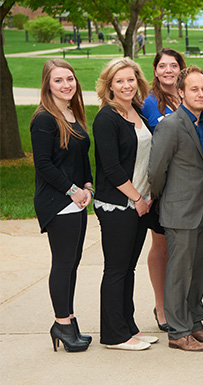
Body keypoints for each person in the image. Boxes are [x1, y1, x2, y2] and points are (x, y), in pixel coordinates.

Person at [148, 65, 203, 352]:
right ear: (181, 93)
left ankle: (195, 324)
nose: (200, 93)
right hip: (179, 211)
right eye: (194, 89)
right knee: (179, 273)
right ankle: (178, 332)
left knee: (198, 270)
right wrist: (164, 198)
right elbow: (156, 171)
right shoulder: (169, 125)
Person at [93, 58, 158, 351]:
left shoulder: (138, 111)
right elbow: (111, 168)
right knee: (116, 269)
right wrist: (136, 198)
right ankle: (113, 335)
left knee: (128, 268)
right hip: (119, 204)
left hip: (140, 202)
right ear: (109, 86)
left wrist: (147, 196)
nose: (126, 85)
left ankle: (128, 327)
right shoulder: (107, 118)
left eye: (130, 79)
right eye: (119, 81)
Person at [32, 59, 92, 353]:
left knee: (72, 264)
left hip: (77, 200)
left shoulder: (72, 113)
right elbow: (43, 164)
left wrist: (89, 187)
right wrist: (72, 191)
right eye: (58, 80)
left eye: (70, 79)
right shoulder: (44, 118)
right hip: (57, 202)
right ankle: (62, 323)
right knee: (63, 263)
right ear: (47, 85)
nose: (66, 84)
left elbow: (81, 159)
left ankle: (68, 320)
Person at [140, 48, 186, 332]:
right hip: (161, 185)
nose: (168, 70)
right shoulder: (150, 102)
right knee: (161, 245)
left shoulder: (185, 96)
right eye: (163, 66)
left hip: (184, 185)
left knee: (179, 248)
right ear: (155, 70)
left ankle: (177, 303)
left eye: (173, 65)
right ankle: (161, 306)